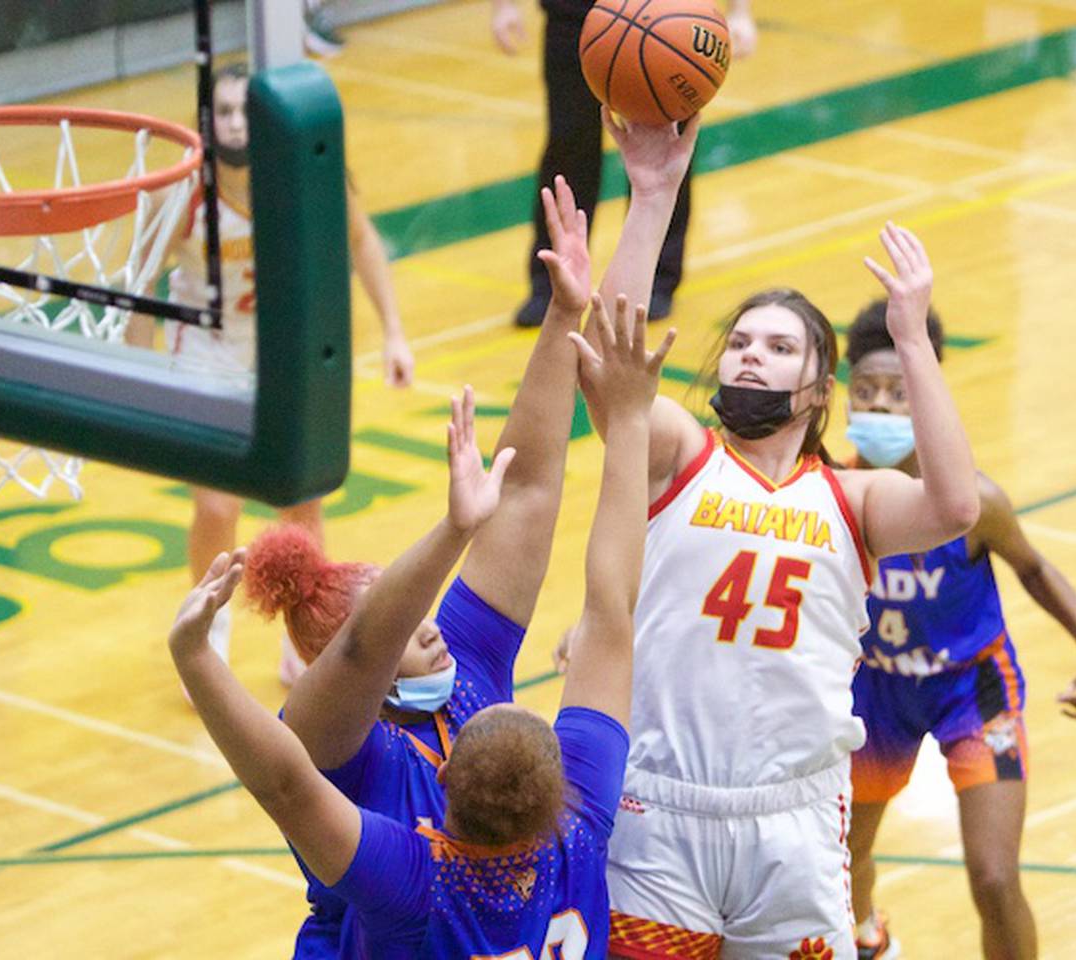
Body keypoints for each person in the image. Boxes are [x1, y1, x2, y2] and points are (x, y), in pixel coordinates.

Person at [168, 291, 672, 956]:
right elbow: (598, 594)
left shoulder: (411, 879)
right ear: (563, 793)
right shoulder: (577, 830)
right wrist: (599, 375)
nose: (432, 631)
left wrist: (196, 657)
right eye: (401, 622)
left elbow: (285, 777)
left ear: (444, 781)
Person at [575, 143, 979, 956]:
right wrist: (651, 197)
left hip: (794, 825)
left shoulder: (850, 498)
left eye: (780, 346)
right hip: (662, 813)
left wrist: (912, 339)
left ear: (818, 390)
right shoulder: (681, 456)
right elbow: (610, 369)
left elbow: (955, 502)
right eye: (741, 342)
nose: (752, 352)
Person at [127, 62, 415, 686]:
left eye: (242, 110)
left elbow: (362, 242)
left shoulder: (304, 175)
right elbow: (141, 282)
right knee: (218, 501)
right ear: (207, 123)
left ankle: (305, 632)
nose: (234, 122)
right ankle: (211, 622)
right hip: (207, 353)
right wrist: (137, 372)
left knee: (301, 498)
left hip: (283, 353)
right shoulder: (185, 193)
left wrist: (393, 330)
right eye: (223, 111)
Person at [841, 302, 1076, 960]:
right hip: (874, 692)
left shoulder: (973, 501)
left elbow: (1035, 569)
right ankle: (866, 933)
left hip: (972, 688)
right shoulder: (834, 492)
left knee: (994, 878)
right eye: (867, 392)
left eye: (899, 392)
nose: (881, 406)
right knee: (841, 861)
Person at [490, 0, 758, 326]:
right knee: (567, 144)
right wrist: (503, 6)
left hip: (668, 17)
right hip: (575, 14)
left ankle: (656, 278)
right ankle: (553, 282)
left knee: (666, 152)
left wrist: (740, 12)